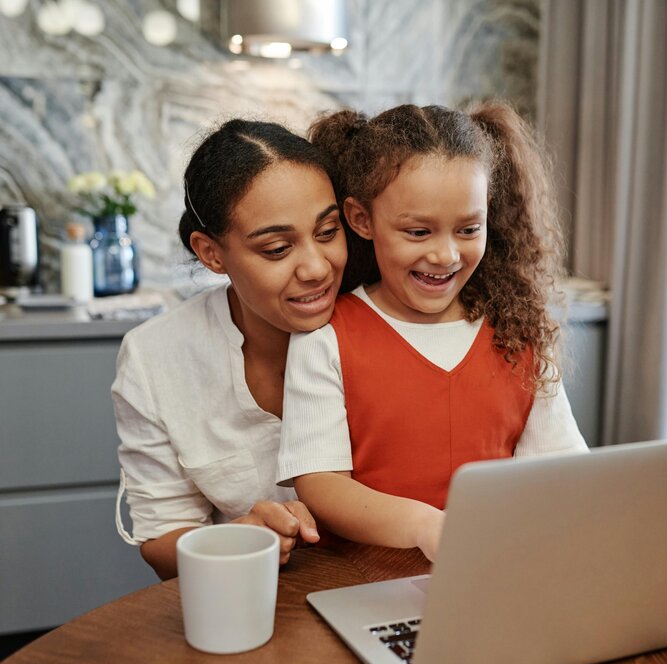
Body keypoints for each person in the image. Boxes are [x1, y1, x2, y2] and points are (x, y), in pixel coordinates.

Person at [277, 102, 588, 561]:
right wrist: (426, 526)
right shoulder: (325, 340)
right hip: (362, 580)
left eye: (468, 229)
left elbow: (563, 471)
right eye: (419, 232)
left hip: (492, 569)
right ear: (361, 220)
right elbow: (321, 485)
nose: (446, 255)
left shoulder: (517, 334)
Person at [112, 118, 348, 580]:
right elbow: (162, 539)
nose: (317, 268)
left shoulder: (389, 323)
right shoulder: (156, 356)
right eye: (278, 249)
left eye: (327, 232)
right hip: (254, 601)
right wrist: (237, 541)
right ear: (211, 253)